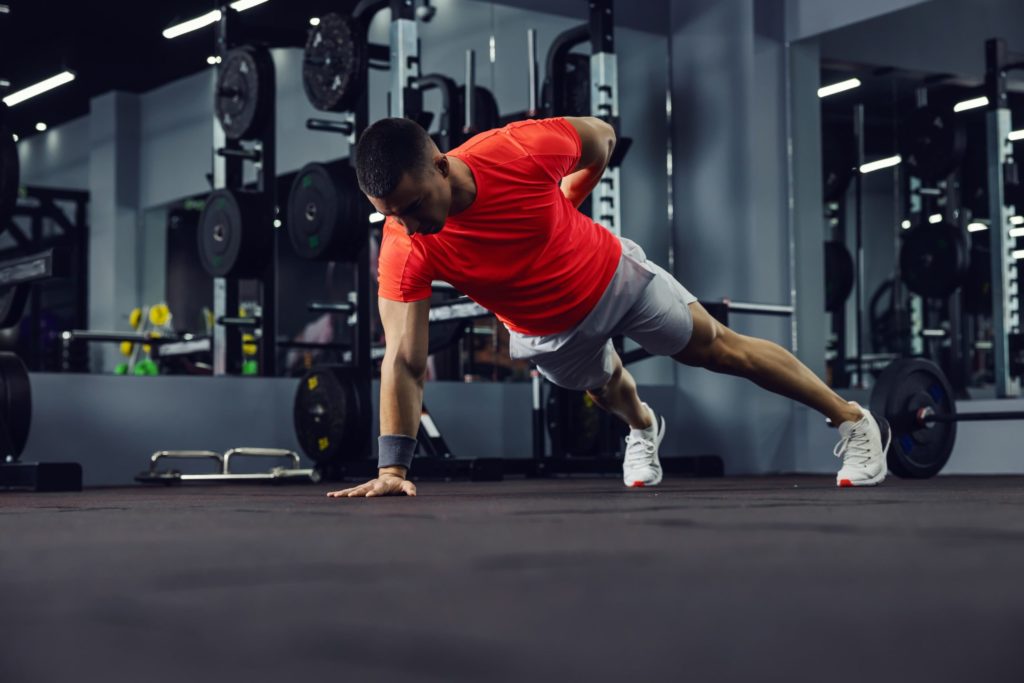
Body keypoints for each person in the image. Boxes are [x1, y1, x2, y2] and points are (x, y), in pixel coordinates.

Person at [327, 116, 890, 499]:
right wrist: (392, 468)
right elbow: (402, 359)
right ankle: (644, 429)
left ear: (442, 166)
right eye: (391, 215)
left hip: (614, 279)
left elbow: (601, 137)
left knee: (721, 350)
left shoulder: (516, 150)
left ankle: (853, 419)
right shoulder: (405, 247)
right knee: (606, 389)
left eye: (415, 204)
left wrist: (570, 194)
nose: (407, 224)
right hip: (548, 330)